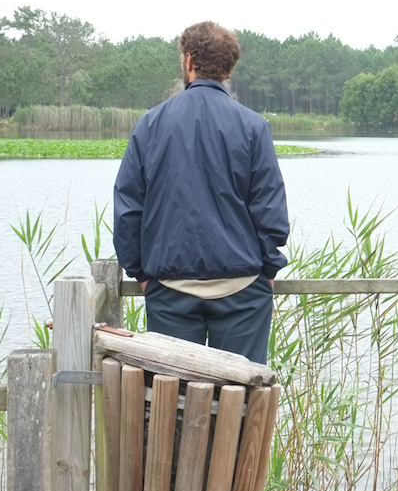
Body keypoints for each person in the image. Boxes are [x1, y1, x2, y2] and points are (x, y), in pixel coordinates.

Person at [113, 21, 289, 363]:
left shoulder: (151, 124)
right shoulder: (254, 127)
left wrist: (142, 275)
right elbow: (270, 209)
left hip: (170, 289)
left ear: (189, 61)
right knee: (240, 402)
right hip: (242, 291)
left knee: (171, 402)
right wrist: (267, 272)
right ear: (228, 68)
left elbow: (129, 209)